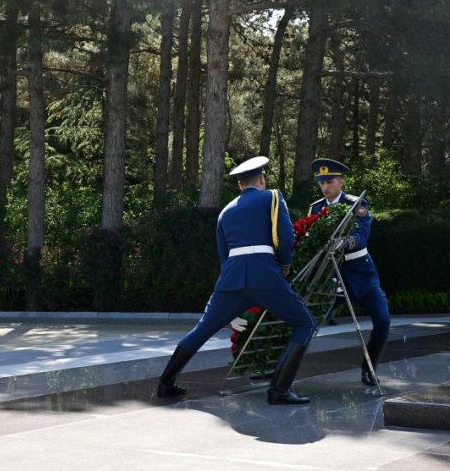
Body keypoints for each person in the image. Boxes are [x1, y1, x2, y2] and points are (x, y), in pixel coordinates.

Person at [157, 156, 317, 405]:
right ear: (262, 180)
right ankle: (279, 390)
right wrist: (284, 264)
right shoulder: (272, 197)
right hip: (265, 275)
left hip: (230, 280)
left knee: (202, 330)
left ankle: (165, 384)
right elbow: (285, 239)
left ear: (240, 185)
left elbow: (224, 255)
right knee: (305, 324)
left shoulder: (225, 211)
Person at [308, 158, 391, 386]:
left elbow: (361, 235)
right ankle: (280, 369)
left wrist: (345, 242)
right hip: (332, 277)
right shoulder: (316, 208)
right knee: (306, 321)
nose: (325, 187)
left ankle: (369, 369)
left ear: (341, 182)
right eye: (321, 182)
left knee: (383, 321)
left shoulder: (357, 204)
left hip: (362, 275)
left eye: (329, 181)